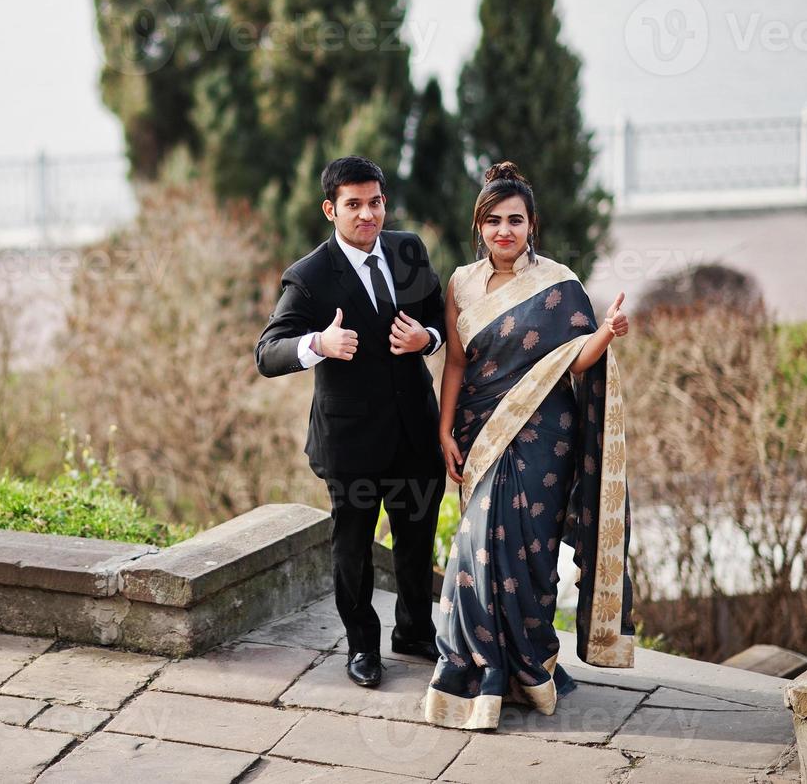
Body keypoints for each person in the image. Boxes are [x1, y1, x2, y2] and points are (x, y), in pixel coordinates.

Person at [423, 160, 635, 731]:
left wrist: (605, 334)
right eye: (493, 221)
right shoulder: (461, 284)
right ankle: (479, 675)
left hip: (544, 436)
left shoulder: (558, 283)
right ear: (479, 227)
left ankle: (524, 672)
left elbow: (574, 359)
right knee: (477, 551)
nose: (504, 232)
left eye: (514, 220)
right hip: (481, 431)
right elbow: (458, 363)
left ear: (532, 224)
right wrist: (445, 429)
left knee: (525, 555)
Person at [255, 155, 448, 689]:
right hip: (351, 443)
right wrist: (320, 344)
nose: (367, 215)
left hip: (414, 432)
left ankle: (414, 631)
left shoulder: (408, 250)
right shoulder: (311, 276)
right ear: (330, 210)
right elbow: (266, 352)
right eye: (354, 205)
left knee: (416, 540)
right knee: (353, 551)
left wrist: (425, 340)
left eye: (375, 202)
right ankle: (363, 647)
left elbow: (438, 317)